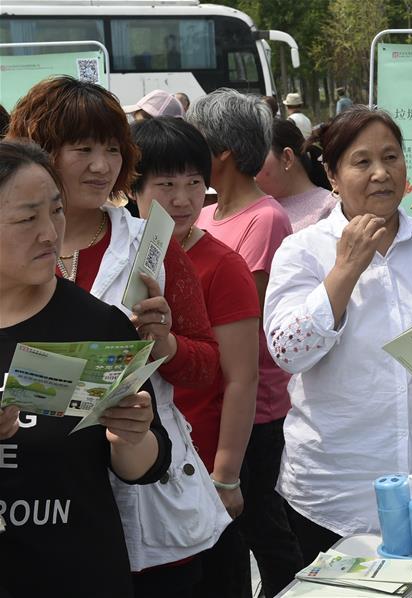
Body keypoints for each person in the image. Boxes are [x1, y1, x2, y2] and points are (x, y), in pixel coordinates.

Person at [8, 76, 224, 597]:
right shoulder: (12, 256)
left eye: (113, 148)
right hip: (34, 509)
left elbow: (207, 365)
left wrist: (165, 344)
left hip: (144, 486)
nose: (101, 166)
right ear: (39, 152)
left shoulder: (151, 245)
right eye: (82, 149)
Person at [263, 106, 412, 565]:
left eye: (392, 157)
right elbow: (287, 352)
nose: (381, 173)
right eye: (362, 162)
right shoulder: (302, 251)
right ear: (332, 175)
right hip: (334, 492)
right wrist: (346, 269)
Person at [0, 138, 171, 598]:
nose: (49, 233)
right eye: (25, 218)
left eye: (55, 211)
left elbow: (146, 467)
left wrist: (132, 437)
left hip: (75, 573)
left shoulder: (97, 324)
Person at [130, 116, 261, 598]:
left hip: (199, 467)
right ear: (134, 186)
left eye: (194, 183)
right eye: (165, 184)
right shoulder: (119, 255)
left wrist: (225, 475)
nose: (182, 200)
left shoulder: (222, 266)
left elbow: (241, 379)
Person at [187, 88, 302, 598]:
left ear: (223, 152)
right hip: (210, 400)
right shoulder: (207, 212)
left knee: (261, 526)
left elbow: (241, 319)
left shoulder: (266, 218)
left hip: (255, 405)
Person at [256, 119, 335, 232]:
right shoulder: (249, 206)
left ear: (287, 158)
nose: (247, 166)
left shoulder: (331, 209)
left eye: (256, 157)